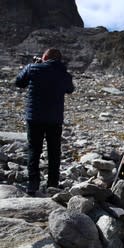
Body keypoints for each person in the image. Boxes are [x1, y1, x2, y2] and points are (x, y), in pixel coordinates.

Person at [15, 48, 74, 196]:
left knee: (34, 150)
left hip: (34, 118)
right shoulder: (64, 73)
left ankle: (32, 184)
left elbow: (19, 82)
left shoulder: (33, 68)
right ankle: (52, 184)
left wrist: (34, 65)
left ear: (45, 57)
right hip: (54, 120)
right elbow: (70, 89)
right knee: (54, 152)